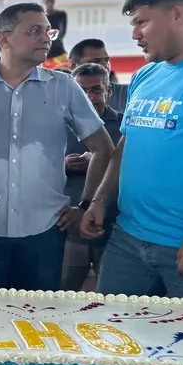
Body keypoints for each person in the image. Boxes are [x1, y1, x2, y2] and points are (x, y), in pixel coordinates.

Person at [0, 3, 113, 292]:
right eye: (34, 31)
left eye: (48, 31)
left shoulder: (64, 86)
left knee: (38, 320)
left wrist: (85, 205)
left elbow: (102, 147)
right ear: (4, 39)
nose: (46, 38)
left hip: (45, 232)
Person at [81, 0, 183, 297]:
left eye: (142, 22)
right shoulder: (145, 75)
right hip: (127, 238)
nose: (135, 34)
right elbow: (125, 145)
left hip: (180, 247)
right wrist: (100, 199)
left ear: (179, 14)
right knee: (109, 335)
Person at [61, 63, 123, 291]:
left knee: (114, 300)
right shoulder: (60, 125)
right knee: (59, 300)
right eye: (82, 91)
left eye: (96, 90)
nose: (89, 97)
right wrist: (64, 164)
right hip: (69, 228)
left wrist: (101, 159)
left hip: (113, 228)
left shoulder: (125, 126)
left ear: (109, 91)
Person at [68, 39, 129, 113]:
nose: (105, 66)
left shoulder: (128, 94)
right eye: (95, 62)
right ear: (73, 65)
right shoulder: (60, 96)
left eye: (106, 61)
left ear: (108, 91)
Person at [42, 0, 69, 69]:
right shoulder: (41, 16)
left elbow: (63, 33)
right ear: (44, 1)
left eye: (52, 0)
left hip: (59, 52)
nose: (50, 3)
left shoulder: (61, 15)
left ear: (54, 1)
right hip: (45, 54)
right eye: (48, 1)